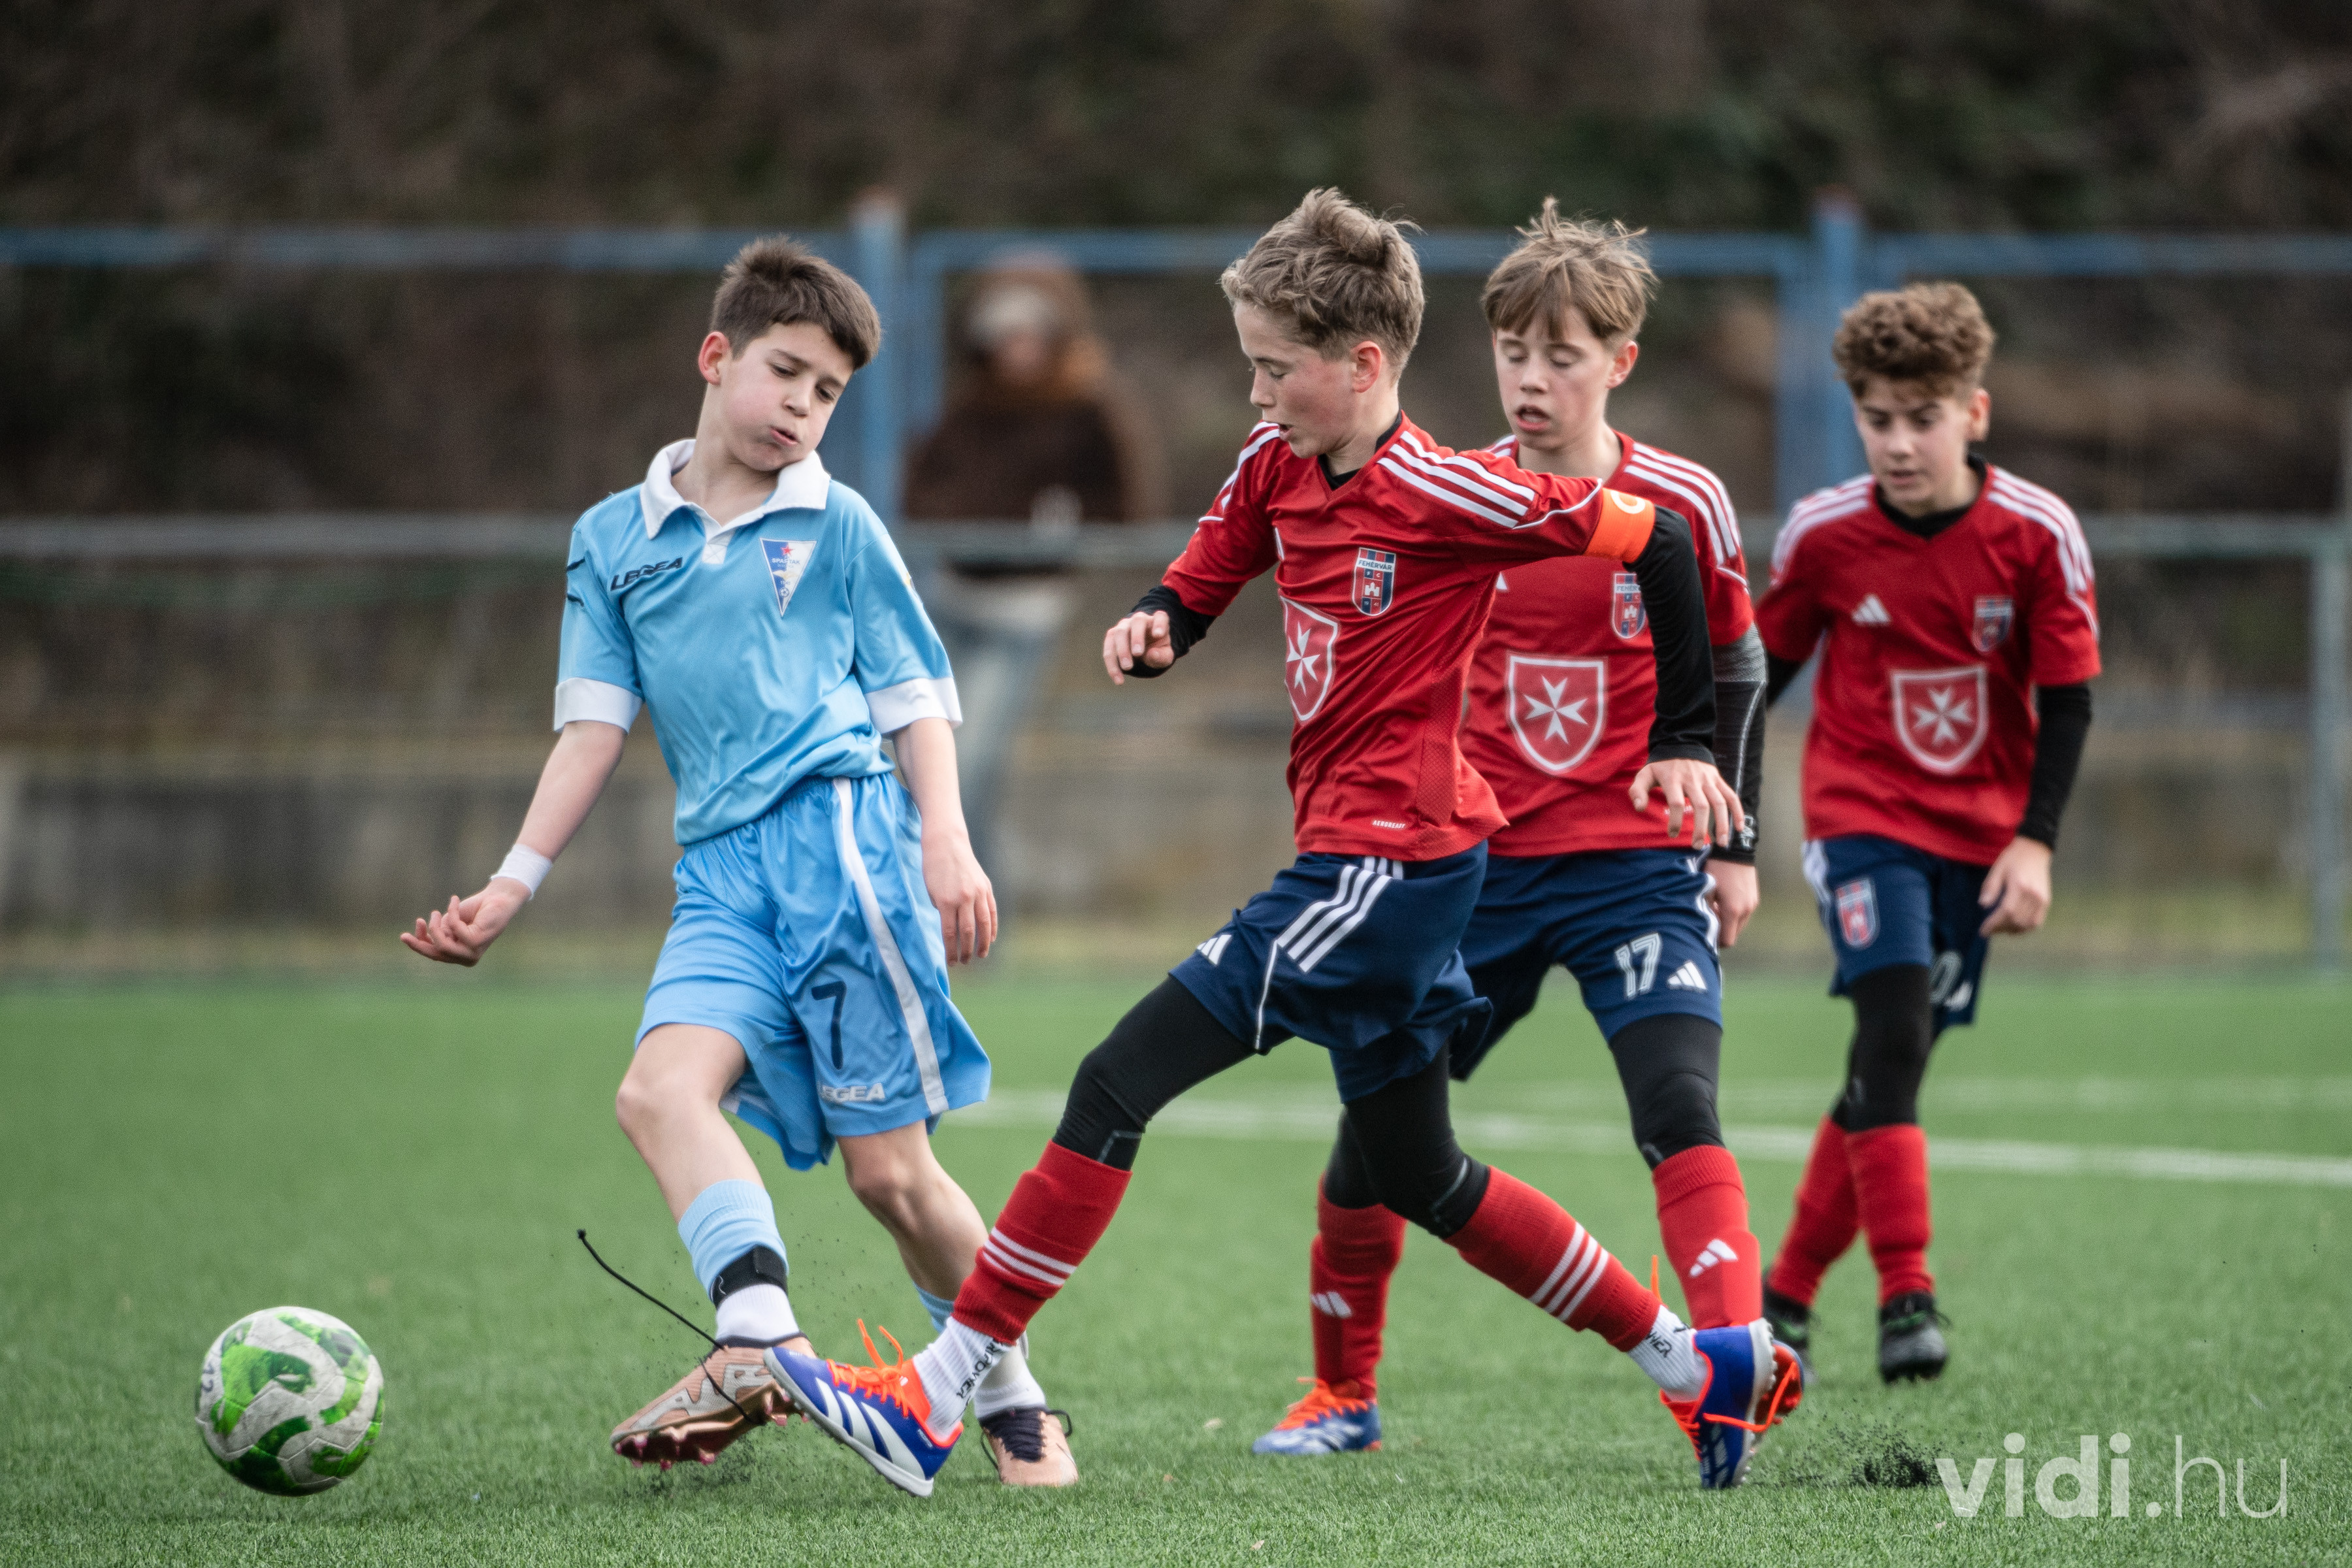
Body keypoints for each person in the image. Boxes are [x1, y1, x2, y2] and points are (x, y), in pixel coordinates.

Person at [762, 189, 1801, 1499]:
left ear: (1362, 364)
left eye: (1273, 368)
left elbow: (1659, 544)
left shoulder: (1448, 491)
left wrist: (1689, 740)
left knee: (1113, 1082)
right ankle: (1692, 1366)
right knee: (1421, 1171)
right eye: (1249, 364)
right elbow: (1214, 562)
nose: (1254, 394)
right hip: (1398, 867)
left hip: (1387, 871)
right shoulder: (1277, 461)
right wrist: (1164, 621)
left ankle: (936, 1393)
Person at [398, 237, 1076, 1486]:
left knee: (891, 1177)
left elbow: (914, 693)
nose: (802, 409)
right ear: (716, 358)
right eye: (785, 374)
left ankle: (1013, 1397)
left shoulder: (836, 520)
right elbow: (592, 730)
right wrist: (511, 884)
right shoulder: (611, 541)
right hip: (717, 876)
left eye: (828, 393)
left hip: (844, 856)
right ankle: (761, 1335)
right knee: (657, 1094)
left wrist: (946, 836)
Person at [1250, 202, 1772, 1468]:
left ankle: (1733, 1367)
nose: (1533, 379)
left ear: (1621, 362)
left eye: (1563, 357)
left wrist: (1733, 839)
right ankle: (1342, 1394)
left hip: (1634, 870)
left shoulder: (1682, 500)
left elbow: (1740, 666)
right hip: (1470, 872)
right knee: (1378, 1142)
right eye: (1512, 352)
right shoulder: (1456, 493)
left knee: (1679, 1103)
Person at [1754, 282, 2099, 1384]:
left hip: (1981, 839)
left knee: (1886, 1064)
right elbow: (1759, 683)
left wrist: (2035, 843)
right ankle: (1908, 1297)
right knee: (1894, 1027)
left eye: (1923, 418)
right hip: (1860, 820)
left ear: (1974, 413)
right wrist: (1724, 824)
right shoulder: (1824, 534)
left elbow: (2069, 701)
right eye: (1877, 419)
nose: (1899, 443)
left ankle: (1784, 1298)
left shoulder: (2038, 534)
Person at [902, 256, 1166, 870]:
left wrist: (1057, 527)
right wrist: (967, 522)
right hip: (950, 604)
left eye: (1030, 333)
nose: (1016, 349)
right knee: (924, 765)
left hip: (1023, 615)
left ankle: (977, 907)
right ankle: (933, 903)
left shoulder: (1089, 407)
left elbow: (1128, 504)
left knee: (969, 763)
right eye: (1004, 334)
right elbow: (921, 493)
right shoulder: (970, 409)